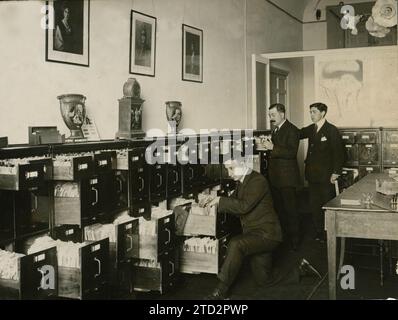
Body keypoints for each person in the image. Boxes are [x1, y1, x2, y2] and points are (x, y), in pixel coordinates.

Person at [204, 159, 282, 299]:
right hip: (254, 233)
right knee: (265, 281)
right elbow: (233, 204)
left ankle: (220, 290)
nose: (229, 173)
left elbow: (243, 206)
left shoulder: (258, 181)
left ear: (244, 164)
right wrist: (212, 203)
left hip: (267, 234)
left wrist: (220, 201)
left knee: (236, 244)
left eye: (232, 168)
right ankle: (300, 270)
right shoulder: (242, 182)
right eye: (227, 169)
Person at [300, 102, 344, 241]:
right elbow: (297, 133)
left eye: (314, 112)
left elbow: (339, 153)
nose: (311, 114)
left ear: (323, 113)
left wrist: (336, 172)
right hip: (313, 176)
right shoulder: (312, 129)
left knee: (327, 204)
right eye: (310, 112)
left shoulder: (331, 130)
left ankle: (329, 233)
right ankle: (319, 231)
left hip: (326, 176)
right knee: (314, 204)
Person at [262, 103, 301, 251]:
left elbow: (291, 153)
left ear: (282, 114)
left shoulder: (292, 130)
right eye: (269, 115)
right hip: (275, 178)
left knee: (291, 210)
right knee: (279, 210)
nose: (270, 118)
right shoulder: (276, 130)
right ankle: (283, 239)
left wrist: (273, 148)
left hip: (287, 178)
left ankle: (295, 241)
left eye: (273, 115)